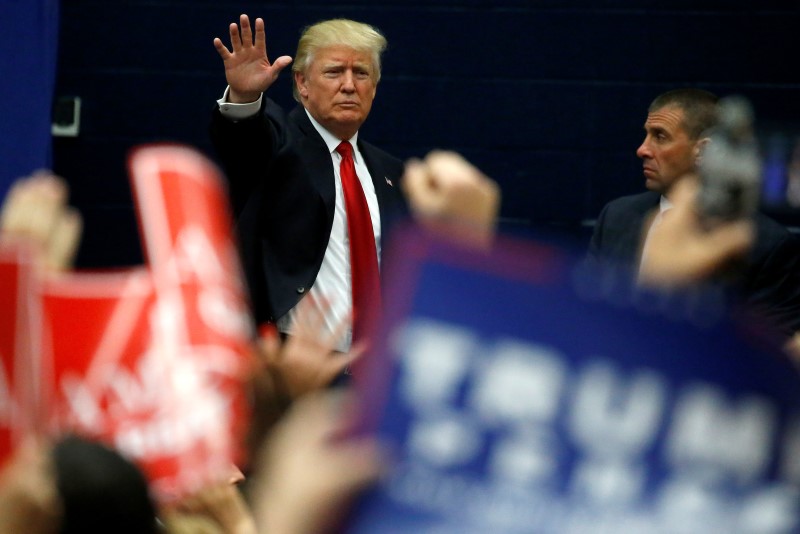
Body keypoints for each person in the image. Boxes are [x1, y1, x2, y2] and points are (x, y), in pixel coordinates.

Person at [210, 14, 408, 353]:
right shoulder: (278, 144)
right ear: (302, 83)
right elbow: (245, 141)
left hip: (372, 370)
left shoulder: (392, 172)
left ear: (374, 87)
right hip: (292, 363)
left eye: (361, 73)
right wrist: (244, 98)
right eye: (334, 72)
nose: (349, 85)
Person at [588, 88, 800, 336]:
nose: (642, 149)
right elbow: (589, 310)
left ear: (705, 151)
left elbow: (770, 353)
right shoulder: (616, 216)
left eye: (660, 136)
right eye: (646, 135)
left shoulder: (766, 244)